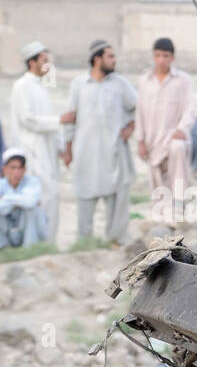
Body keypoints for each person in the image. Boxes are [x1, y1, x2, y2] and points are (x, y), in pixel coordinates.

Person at [65, 40, 136, 243]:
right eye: (110, 56)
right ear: (97, 59)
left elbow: (138, 106)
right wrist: (68, 150)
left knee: (116, 199)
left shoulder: (120, 83)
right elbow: (71, 119)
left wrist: (130, 127)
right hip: (86, 154)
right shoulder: (79, 84)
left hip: (113, 154)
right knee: (85, 196)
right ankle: (84, 243)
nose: (114, 61)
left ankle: (114, 242)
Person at [10, 40, 69, 245]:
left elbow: (47, 120)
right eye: (45, 59)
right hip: (32, 152)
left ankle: (48, 243)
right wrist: (60, 121)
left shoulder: (40, 87)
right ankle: (38, 244)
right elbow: (28, 119)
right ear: (32, 62)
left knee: (51, 197)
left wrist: (62, 148)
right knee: (43, 198)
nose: (48, 63)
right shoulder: (22, 86)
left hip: (47, 151)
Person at [137, 37, 192, 221]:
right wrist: (140, 141)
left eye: (165, 56)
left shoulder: (182, 80)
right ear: (153, 56)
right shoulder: (145, 81)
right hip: (152, 138)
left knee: (178, 150)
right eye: (158, 56)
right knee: (157, 177)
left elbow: (189, 108)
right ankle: (160, 215)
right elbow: (140, 112)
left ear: (172, 58)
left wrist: (182, 129)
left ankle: (179, 204)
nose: (161, 60)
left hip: (173, 135)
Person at [0, 149, 47, 247]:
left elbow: (30, 202)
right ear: (4, 169)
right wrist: (20, 202)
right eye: (13, 168)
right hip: (7, 226)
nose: (17, 172)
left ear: (24, 170)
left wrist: (5, 198)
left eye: (20, 168)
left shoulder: (32, 181)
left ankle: (30, 248)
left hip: (25, 226)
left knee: (33, 210)